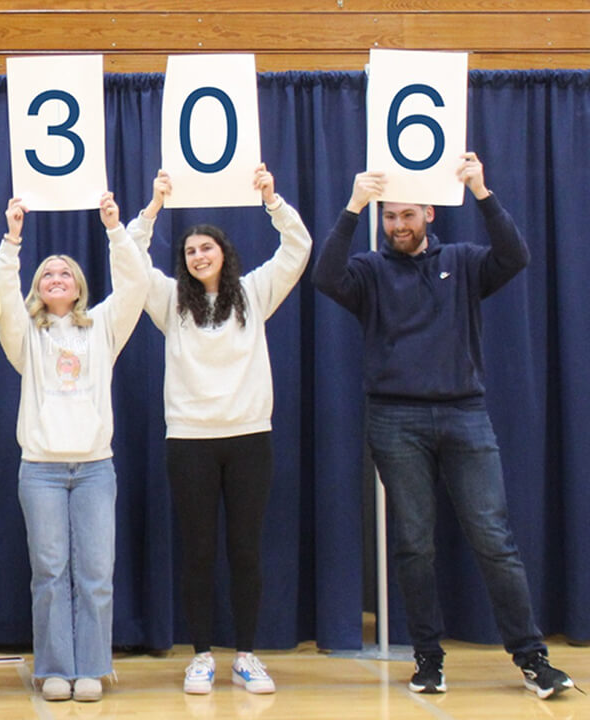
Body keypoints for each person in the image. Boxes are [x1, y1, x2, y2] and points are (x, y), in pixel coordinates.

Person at [313, 153, 576, 700]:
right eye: (389, 217)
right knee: (414, 545)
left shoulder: (464, 261)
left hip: (464, 413)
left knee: (494, 540)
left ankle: (532, 659)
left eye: (407, 216)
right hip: (394, 418)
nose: (398, 226)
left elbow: (516, 255)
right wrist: (352, 207)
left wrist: (482, 191)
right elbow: (326, 276)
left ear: (429, 214)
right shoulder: (369, 271)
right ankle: (428, 660)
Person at [132, 165, 311, 696]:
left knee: (246, 550)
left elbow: (297, 248)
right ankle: (203, 656)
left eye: (206, 248)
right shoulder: (169, 302)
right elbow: (130, 264)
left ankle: (247, 656)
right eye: (190, 251)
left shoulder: (254, 294)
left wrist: (273, 200)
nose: (198, 256)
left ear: (223, 253)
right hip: (189, 441)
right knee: (198, 551)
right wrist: (153, 209)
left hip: (250, 437)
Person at [0, 193, 146, 702]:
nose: (57, 279)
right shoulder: (26, 336)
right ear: (40, 288)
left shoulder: (102, 326)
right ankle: (55, 666)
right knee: (50, 572)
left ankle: (93, 667)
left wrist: (114, 230)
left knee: (96, 573)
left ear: (79, 286)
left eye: (66, 274)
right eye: (48, 275)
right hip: (41, 469)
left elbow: (136, 285)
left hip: (96, 467)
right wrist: (13, 238)